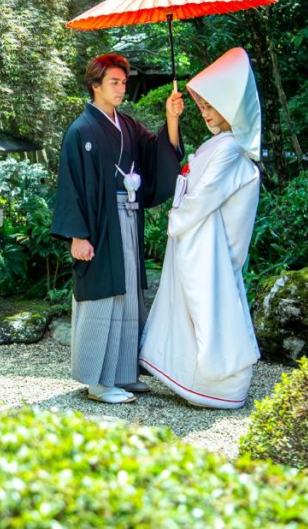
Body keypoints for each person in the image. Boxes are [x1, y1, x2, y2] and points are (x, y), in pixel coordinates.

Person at [51, 53, 184, 404]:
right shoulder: (81, 131)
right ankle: (97, 381)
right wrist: (78, 236)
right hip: (98, 223)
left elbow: (155, 152)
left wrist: (171, 119)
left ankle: (124, 373)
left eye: (124, 82)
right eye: (114, 82)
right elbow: (72, 185)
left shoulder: (126, 125)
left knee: (127, 294)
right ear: (95, 85)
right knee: (101, 295)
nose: (121, 88)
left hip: (127, 216)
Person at [139, 46, 262, 409]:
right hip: (203, 237)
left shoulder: (230, 150)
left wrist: (176, 219)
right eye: (203, 107)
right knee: (201, 306)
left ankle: (217, 383)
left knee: (210, 304)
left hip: (211, 242)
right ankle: (194, 378)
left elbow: (205, 194)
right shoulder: (224, 144)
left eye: (212, 106)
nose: (206, 113)